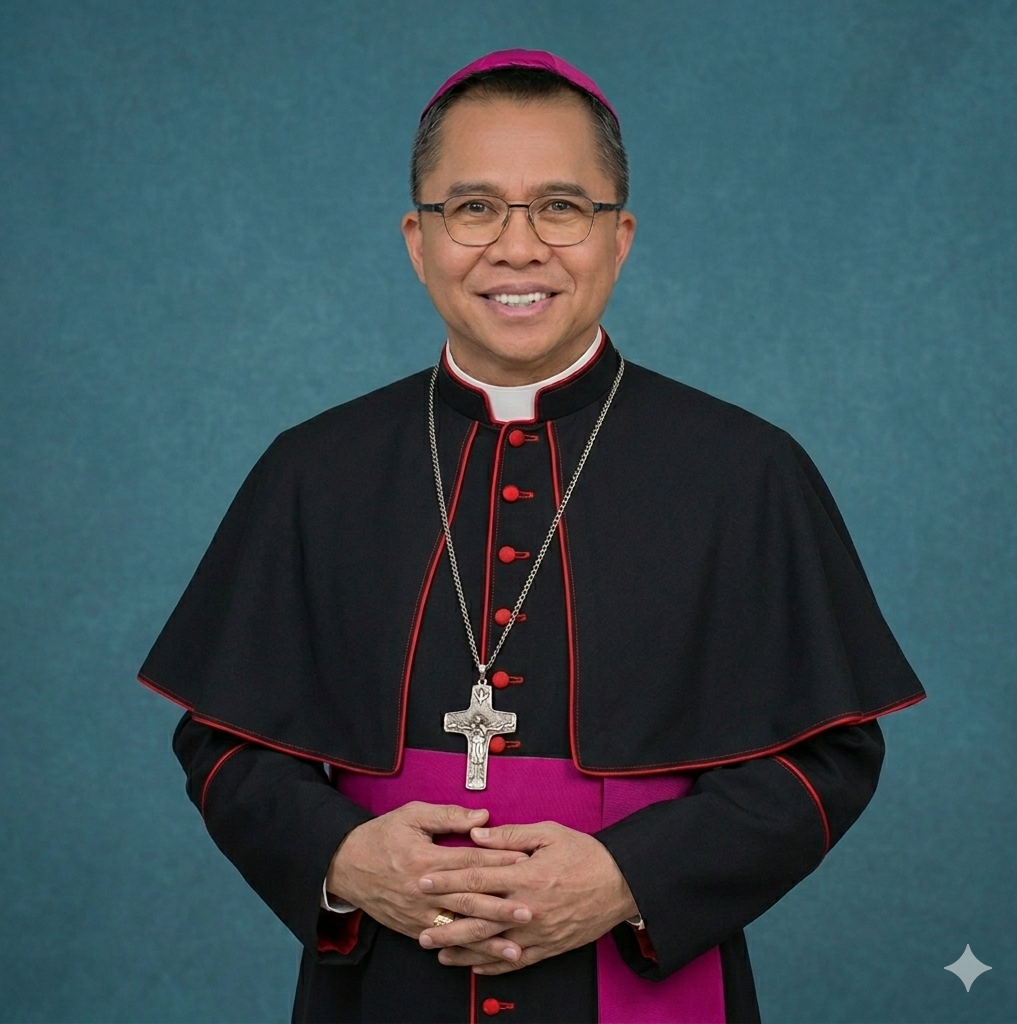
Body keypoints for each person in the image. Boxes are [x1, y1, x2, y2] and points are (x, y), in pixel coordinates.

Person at [140, 50, 926, 1024]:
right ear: (417, 240)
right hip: (387, 983)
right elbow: (225, 744)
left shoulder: (742, 470)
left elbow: (826, 757)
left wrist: (628, 876)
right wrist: (341, 861)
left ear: (619, 237)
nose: (517, 247)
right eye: (473, 208)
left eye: (560, 207)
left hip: (643, 981)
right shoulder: (315, 468)